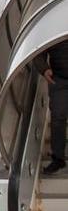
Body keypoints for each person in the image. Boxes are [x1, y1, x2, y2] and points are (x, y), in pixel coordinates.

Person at [38, 39, 68, 175]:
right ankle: (58, 159)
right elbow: (38, 52)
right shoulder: (52, 22)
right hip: (58, 79)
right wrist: (44, 69)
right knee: (58, 117)